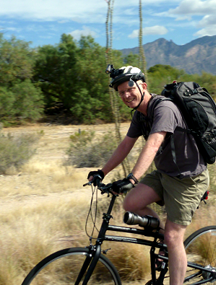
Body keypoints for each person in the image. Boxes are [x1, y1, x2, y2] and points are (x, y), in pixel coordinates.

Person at [88, 65, 209, 285]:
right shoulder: (140, 115)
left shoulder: (164, 108)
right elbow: (126, 144)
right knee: (131, 203)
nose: (126, 95)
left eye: (129, 89)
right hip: (165, 174)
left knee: (174, 237)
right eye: (121, 92)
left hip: (188, 180)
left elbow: (153, 144)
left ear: (143, 86)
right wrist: (101, 172)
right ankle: (164, 244)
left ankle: (171, 255)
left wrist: (132, 178)